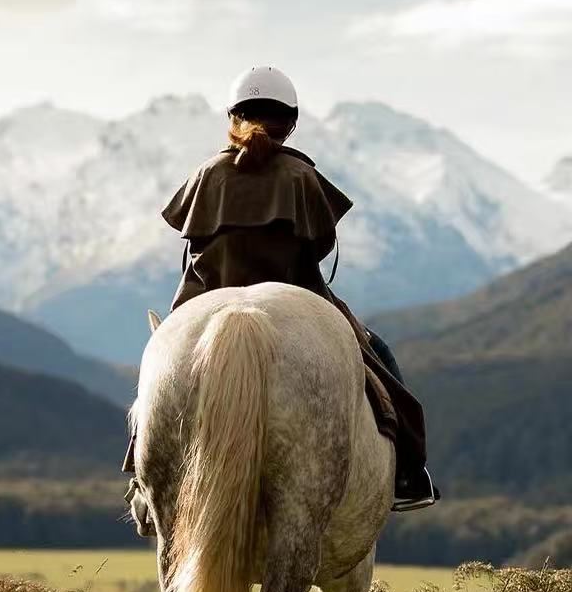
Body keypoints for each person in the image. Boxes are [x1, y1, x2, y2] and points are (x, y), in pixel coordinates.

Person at [124, 65, 439, 530]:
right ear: (291, 123)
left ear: (232, 117)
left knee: (158, 368)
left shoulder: (205, 176)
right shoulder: (301, 178)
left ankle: (142, 476)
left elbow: (193, 249)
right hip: (297, 291)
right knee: (381, 357)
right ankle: (410, 476)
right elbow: (319, 246)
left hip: (205, 295)